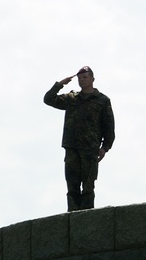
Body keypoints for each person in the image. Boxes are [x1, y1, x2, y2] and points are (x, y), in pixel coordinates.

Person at [43, 65, 115, 211]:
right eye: (80, 78)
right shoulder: (72, 98)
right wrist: (59, 84)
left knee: (88, 186)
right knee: (72, 185)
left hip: (90, 148)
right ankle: (72, 217)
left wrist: (105, 148)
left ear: (92, 79)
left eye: (85, 77)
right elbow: (48, 99)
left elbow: (109, 126)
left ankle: (87, 218)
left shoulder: (102, 100)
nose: (82, 80)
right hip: (72, 147)